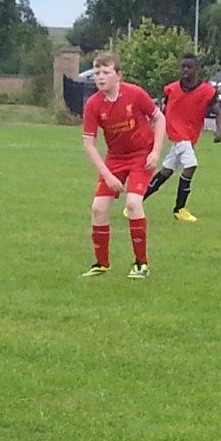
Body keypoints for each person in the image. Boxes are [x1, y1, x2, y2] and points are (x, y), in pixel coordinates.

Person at [81, 53, 165, 280]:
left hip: (141, 156)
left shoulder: (135, 94)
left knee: (133, 203)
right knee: (98, 209)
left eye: (106, 72)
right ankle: (102, 264)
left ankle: (141, 264)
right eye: (97, 73)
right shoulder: (93, 104)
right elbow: (88, 143)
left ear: (118, 75)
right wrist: (108, 175)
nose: (100, 77)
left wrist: (156, 152)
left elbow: (159, 118)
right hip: (115, 158)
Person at [140, 53, 221, 223]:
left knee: (166, 171)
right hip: (178, 134)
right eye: (183, 66)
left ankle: (135, 202)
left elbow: (218, 113)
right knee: (191, 166)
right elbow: (162, 112)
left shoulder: (207, 91)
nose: (185, 70)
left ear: (196, 69)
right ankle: (179, 209)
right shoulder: (171, 89)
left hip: (190, 136)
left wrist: (219, 131)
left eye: (189, 67)